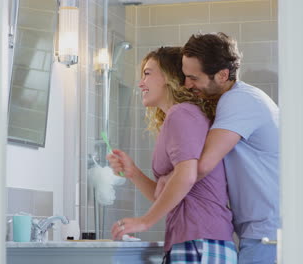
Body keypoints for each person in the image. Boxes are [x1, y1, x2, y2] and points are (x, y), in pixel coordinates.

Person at [106, 47, 237, 264]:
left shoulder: (182, 113)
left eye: (147, 74)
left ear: (169, 77)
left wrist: (145, 222)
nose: (140, 83)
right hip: (199, 240)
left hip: (199, 240)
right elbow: (170, 195)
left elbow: (186, 176)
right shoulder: (180, 116)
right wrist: (133, 173)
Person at [181, 32, 280, 264]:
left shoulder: (237, 100)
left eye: (194, 78)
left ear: (223, 75)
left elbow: (203, 166)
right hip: (264, 232)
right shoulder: (246, 97)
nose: (187, 84)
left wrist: (162, 186)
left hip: (267, 234)